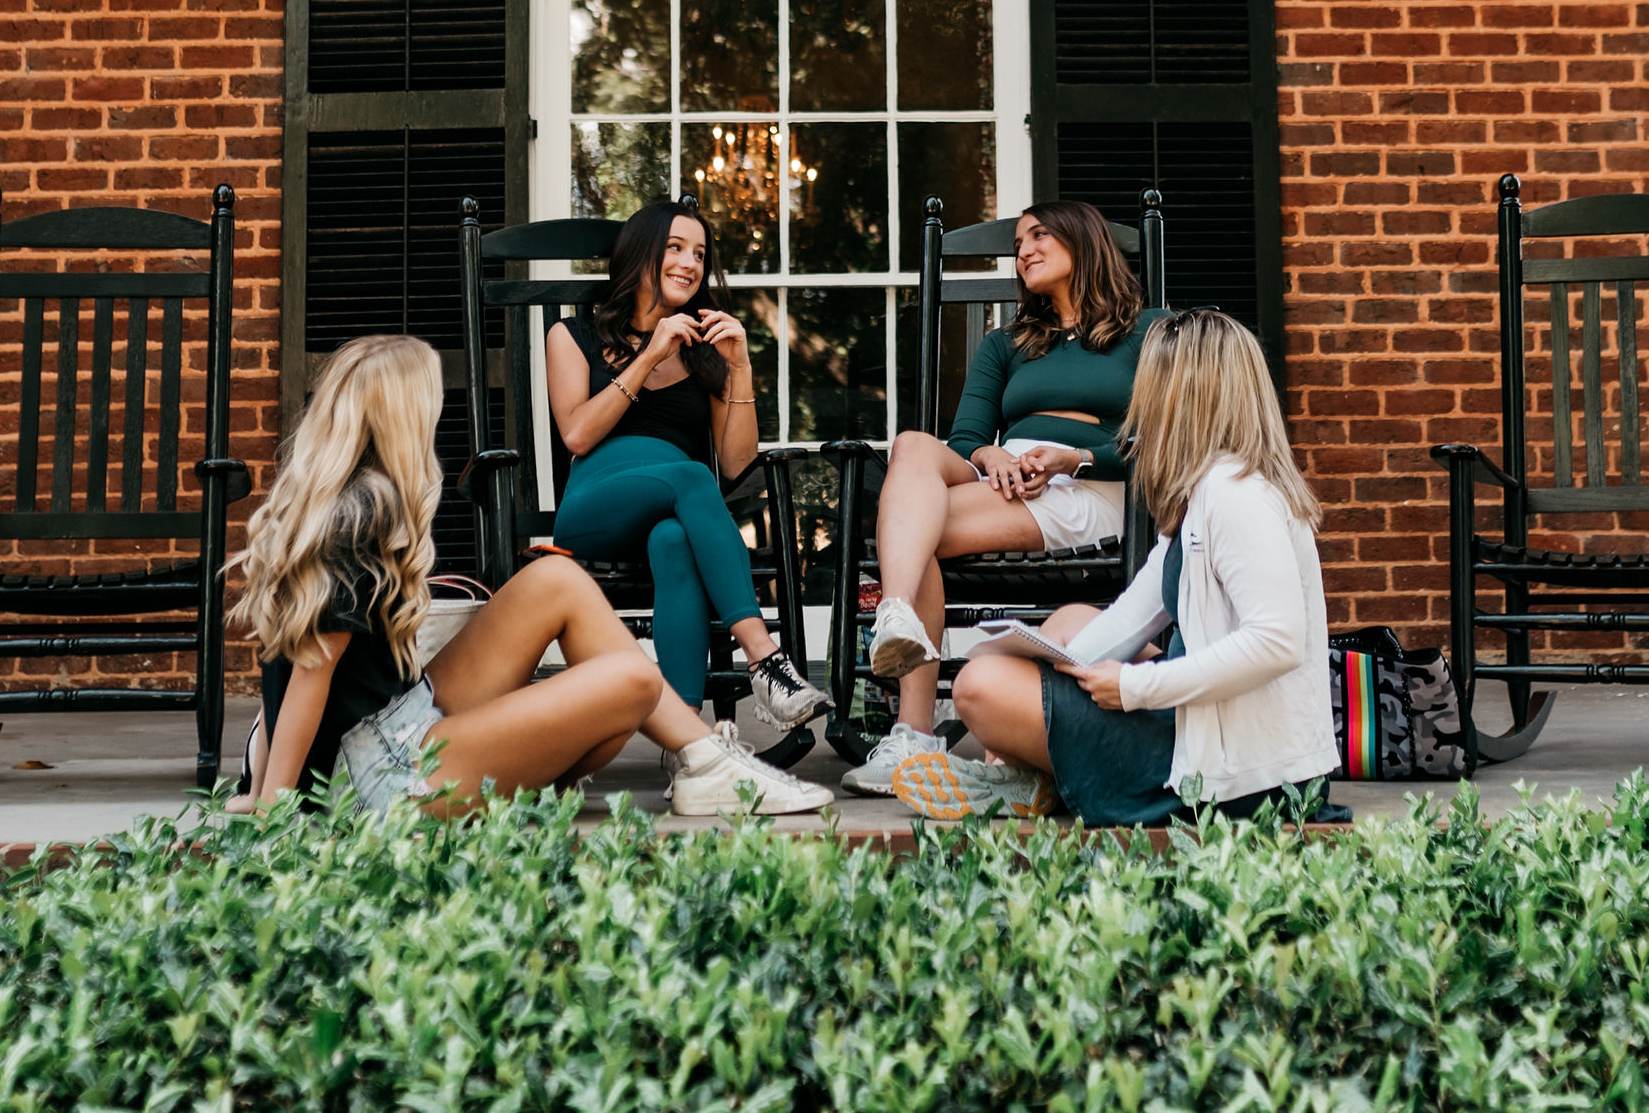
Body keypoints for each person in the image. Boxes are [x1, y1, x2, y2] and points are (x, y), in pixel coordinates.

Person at [234, 333, 830, 819]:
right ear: (400, 417)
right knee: (630, 681)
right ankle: (704, 764)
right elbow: (307, 678)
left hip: (403, 716)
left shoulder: (343, 498)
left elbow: (282, 680)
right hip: (381, 772)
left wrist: (257, 774)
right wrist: (271, 812)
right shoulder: (362, 515)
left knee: (558, 581)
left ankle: (703, 763)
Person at [903, 307, 1339, 826]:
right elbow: (1129, 620)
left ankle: (1040, 774)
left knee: (979, 686)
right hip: (1204, 728)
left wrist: (1134, 689)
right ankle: (1040, 772)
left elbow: (1277, 641)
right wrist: (1041, 657)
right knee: (1067, 625)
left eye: (1151, 386)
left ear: (1186, 397)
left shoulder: (1236, 495)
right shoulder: (1203, 491)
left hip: (1244, 774)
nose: (1140, 406)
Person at [843, 198, 1162, 795]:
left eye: (1038, 237)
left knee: (916, 534)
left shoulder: (1150, 333)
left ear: (1084, 241)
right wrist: (992, 456)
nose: (1023, 252)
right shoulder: (1008, 342)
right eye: (1018, 244)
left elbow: (1171, 442)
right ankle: (898, 617)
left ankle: (912, 730)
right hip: (1005, 480)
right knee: (913, 445)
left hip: (1089, 483)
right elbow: (965, 439)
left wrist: (1078, 456)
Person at [544, 199, 829, 734]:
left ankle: (686, 742)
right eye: (675, 248)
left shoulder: (705, 352)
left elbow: (738, 462)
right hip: (593, 511)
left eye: (699, 253)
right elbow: (577, 433)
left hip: (674, 512)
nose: (690, 263)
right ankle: (766, 661)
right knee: (692, 475)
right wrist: (649, 354)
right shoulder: (572, 336)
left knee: (675, 540)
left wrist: (739, 368)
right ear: (640, 254)